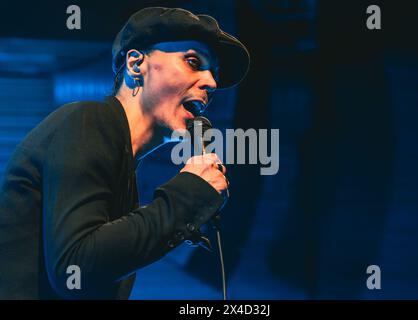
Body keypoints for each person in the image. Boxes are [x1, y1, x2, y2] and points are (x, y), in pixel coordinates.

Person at [0, 7, 249, 299]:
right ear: (135, 65)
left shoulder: (121, 169)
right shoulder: (87, 121)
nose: (212, 83)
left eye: (214, 73)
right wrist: (188, 194)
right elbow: (75, 268)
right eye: (193, 61)